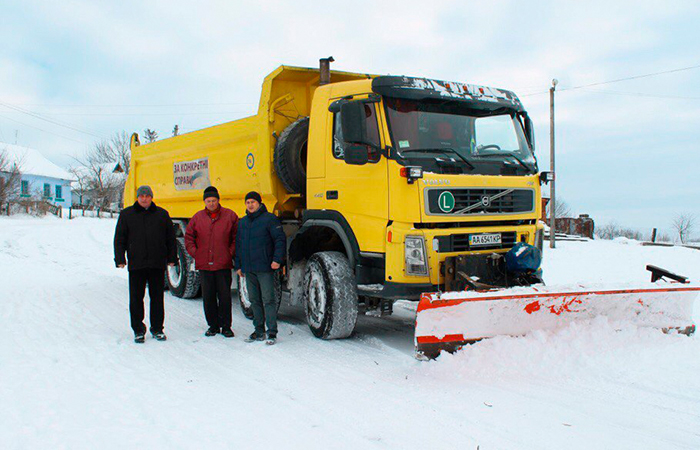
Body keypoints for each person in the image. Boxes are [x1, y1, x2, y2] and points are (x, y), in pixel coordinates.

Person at [114, 185, 177, 343]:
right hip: (137, 264)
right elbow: (120, 238)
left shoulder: (162, 215)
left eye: (147, 195)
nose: (144, 198)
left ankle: (157, 329)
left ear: (151, 197)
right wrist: (120, 259)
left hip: (156, 264)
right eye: (141, 196)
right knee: (136, 298)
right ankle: (138, 330)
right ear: (137, 197)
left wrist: (172, 258)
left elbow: (170, 239)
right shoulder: (127, 214)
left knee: (157, 298)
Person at [185, 186, 239, 338]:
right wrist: (196, 253)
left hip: (223, 264)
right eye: (208, 201)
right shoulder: (197, 217)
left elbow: (236, 237)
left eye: (214, 200)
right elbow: (189, 237)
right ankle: (213, 326)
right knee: (208, 297)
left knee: (225, 296)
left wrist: (230, 253)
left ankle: (226, 326)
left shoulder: (230, 216)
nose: (211, 203)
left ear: (218, 200)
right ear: (204, 202)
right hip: (204, 264)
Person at [234, 191, 286, 345]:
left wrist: (277, 260)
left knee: (268, 300)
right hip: (249, 269)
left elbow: (280, 240)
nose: (250, 205)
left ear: (259, 203)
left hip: (264, 268)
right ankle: (258, 331)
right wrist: (238, 265)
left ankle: (271, 333)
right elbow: (239, 245)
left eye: (253, 202)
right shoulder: (242, 222)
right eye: (248, 202)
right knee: (254, 300)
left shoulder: (269, 219)